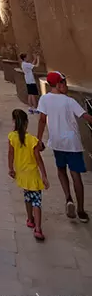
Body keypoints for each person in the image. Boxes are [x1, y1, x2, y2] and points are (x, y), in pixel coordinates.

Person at [37, 71, 92, 223]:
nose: (66, 86)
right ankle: (81, 211)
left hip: (57, 142)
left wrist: (38, 140)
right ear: (59, 84)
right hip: (72, 143)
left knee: (61, 170)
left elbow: (42, 120)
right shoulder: (69, 101)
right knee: (76, 175)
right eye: (64, 83)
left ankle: (68, 198)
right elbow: (85, 116)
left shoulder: (45, 99)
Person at [8, 108, 49, 241]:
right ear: (26, 123)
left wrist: (11, 168)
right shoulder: (32, 140)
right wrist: (44, 175)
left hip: (22, 174)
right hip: (33, 175)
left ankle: (30, 219)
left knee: (27, 197)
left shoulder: (12, 137)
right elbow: (38, 159)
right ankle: (38, 228)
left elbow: (10, 154)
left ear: (14, 122)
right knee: (36, 201)